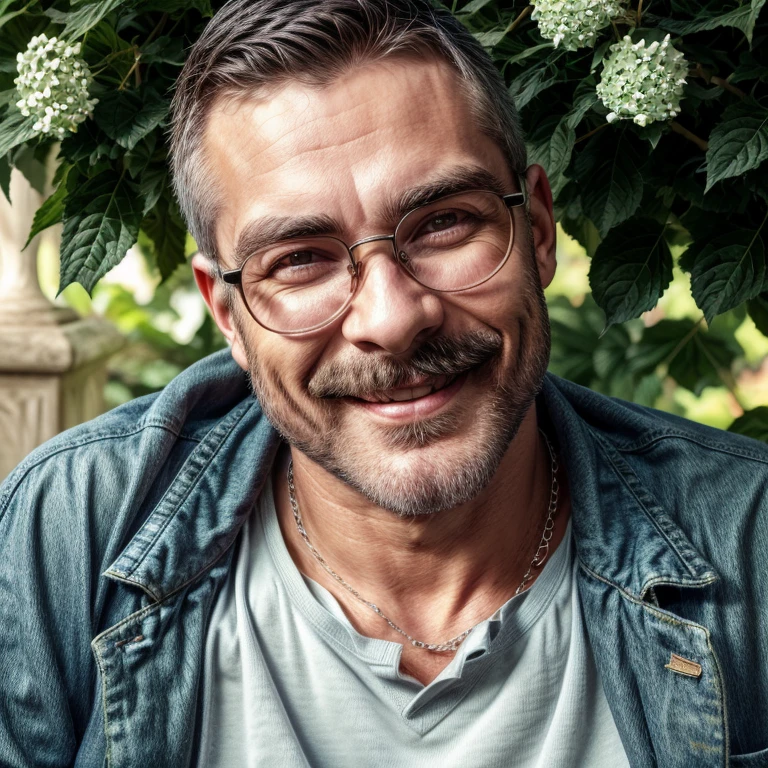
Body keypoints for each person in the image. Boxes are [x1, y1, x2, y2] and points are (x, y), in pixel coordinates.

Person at [1, 0, 766, 766]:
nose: (393, 318)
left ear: (535, 232)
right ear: (228, 313)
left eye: (442, 223)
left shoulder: (751, 540)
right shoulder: (65, 532)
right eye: (299, 258)